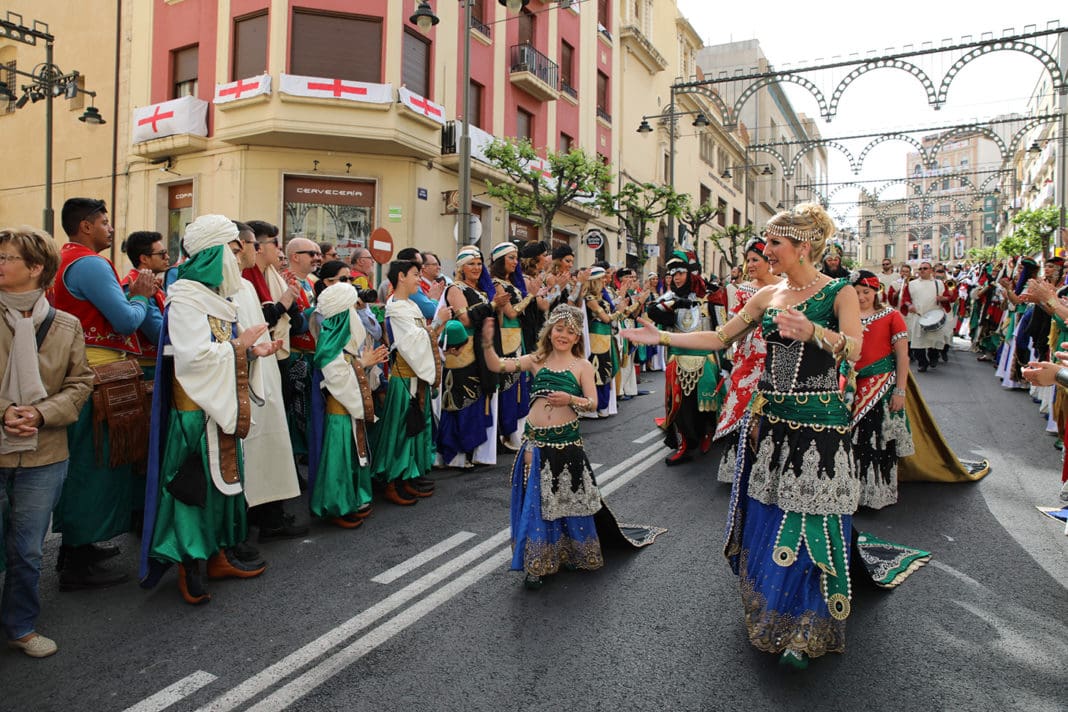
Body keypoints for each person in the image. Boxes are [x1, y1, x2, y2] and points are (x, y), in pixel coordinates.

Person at [624, 203, 877, 669]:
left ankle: (806, 627)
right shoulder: (766, 295)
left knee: (810, 524)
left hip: (820, 426)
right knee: (772, 516)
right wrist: (662, 339)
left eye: (775, 243)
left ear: (803, 246)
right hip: (772, 423)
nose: (767, 251)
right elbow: (720, 339)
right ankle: (776, 609)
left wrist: (814, 332)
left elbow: (855, 349)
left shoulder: (838, 292)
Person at [140, 215, 281, 605]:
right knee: (193, 490)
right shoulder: (186, 298)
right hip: (195, 415)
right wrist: (240, 347)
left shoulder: (214, 298)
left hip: (219, 409)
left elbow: (220, 351)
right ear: (212, 254)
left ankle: (218, 553)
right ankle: (190, 565)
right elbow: (195, 358)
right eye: (231, 251)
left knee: (224, 486)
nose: (236, 259)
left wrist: (252, 352)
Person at [482, 306, 663, 590]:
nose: (563, 335)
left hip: (567, 444)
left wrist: (570, 399)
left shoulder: (582, 366)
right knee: (538, 505)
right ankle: (537, 564)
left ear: (578, 337)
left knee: (569, 503)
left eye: (570, 331)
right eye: (559, 329)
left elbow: (592, 403)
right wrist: (486, 343)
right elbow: (497, 366)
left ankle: (572, 552)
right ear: (549, 331)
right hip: (536, 444)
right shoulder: (536, 360)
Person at [52, 198, 160, 590]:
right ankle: (76, 559)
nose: (111, 228)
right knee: (94, 466)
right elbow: (126, 320)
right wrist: (141, 295)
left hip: (75, 372)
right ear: (86, 226)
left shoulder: (62, 259)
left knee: (84, 463)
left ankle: (79, 547)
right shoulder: (92, 264)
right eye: (104, 222)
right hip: (98, 375)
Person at [0, 226, 93, 658]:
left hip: (45, 452)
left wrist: (40, 414)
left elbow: (80, 384)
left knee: (27, 551)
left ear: (36, 267)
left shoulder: (66, 325)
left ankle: (20, 626)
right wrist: (5, 412)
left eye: (7, 258)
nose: (0, 264)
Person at [229, 223, 305, 541]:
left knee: (271, 442)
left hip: (267, 364)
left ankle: (269, 513)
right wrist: (284, 301)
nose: (276, 249)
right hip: (245, 374)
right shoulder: (233, 284)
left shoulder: (249, 283)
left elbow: (294, 321)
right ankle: (249, 522)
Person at [308, 283, 387, 528]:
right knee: (338, 462)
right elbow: (337, 379)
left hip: (348, 411)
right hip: (339, 414)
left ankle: (353, 500)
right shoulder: (330, 345)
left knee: (352, 458)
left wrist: (365, 364)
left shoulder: (344, 342)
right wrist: (363, 364)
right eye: (352, 308)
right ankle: (336, 506)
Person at [373, 260, 448, 503]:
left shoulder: (410, 305)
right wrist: (437, 323)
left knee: (414, 429)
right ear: (401, 276)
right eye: (415, 274)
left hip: (416, 376)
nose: (419, 279)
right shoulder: (396, 308)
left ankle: (407, 476)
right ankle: (392, 482)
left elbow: (422, 337)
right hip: (404, 379)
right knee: (400, 430)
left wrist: (434, 327)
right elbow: (411, 343)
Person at [713, 237, 780, 482]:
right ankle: (746, 467)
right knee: (744, 410)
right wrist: (732, 357)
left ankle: (769, 466)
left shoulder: (784, 288)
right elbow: (734, 327)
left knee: (771, 413)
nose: (750, 265)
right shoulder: (743, 290)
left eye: (755, 260)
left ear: (768, 260)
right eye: (748, 260)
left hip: (775, 357)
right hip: (748, 357)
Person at [646, 254, 722, 465]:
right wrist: (674, 303)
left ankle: (707, 433)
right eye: (672, 274)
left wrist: (726, 361)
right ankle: (686, 445)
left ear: (690, 274)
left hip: (705, 359)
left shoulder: (710, 297)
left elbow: (723, 330)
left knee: (705, 405)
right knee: (680, 408)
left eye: (680, 273)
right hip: (678, 359)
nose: (676, 278)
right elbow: (652, 312)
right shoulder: (670, 298)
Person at [438, 246, 508, 468]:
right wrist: (493, 304)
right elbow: (466, 320)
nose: (477, 268)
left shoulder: (482, 292)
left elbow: (497, 321)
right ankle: (456, 456)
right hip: (462, 353)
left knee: (478, 398)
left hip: (481, 350)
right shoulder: (455, 289)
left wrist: (498, 308)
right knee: (462, 398)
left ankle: (472, 451)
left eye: (479, 264)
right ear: (461, 267)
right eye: (471, 264)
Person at [849, 271, 913, 509]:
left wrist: (900, 391)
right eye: (856, 292)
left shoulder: (891, 316)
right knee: (852, 441)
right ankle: (853, 491)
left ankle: (878, 492)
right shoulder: (845, 316)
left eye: (866, 292)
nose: (861, 297)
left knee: (877, 440)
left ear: (876, 291)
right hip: (851, 386)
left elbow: (902, 356)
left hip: (880, 385)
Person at [489, 241, 534, 450]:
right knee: (509, 384)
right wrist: (530, 296)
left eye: (516, 258)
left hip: (517, 336)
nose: (515, 262)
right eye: (511, 258)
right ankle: (507, 433)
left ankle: (516, 432)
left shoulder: (511, 283)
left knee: (519, 384)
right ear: (500, 260)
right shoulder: (496, 283)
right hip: (505, 338)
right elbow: (511, 313)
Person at [582, 265, 620, 417]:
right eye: (602, 278)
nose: (605, 281)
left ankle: (603, 406)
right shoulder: (590, 298)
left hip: (605, 336)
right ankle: (595, 406)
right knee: (598, 371)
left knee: (605, 369)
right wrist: (620, 311)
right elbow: (605, 318)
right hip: (595, 337)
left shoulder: (602, 297)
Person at [901, 262, 945, 373]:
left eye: (925, 268)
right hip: (918, 316)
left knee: (933, 340)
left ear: (931, 270)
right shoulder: (912, 284)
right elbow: (905, 298)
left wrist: (943, 298)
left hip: (934, 316)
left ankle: (933, 357)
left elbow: (948, 296)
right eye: (920, 268)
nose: (922, 270)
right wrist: (909, 305)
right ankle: (922, 363)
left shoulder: (939, 283)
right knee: (918, 343)